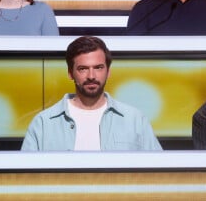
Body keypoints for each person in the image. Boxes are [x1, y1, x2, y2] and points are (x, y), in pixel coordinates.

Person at [21, 36, 162, 151]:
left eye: (98, 67)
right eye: (83, 69)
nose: (91, 76)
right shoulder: (43, 123)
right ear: (70, 73)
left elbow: (160, 174)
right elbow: (24, 179)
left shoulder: (135, 120)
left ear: (108, 71)